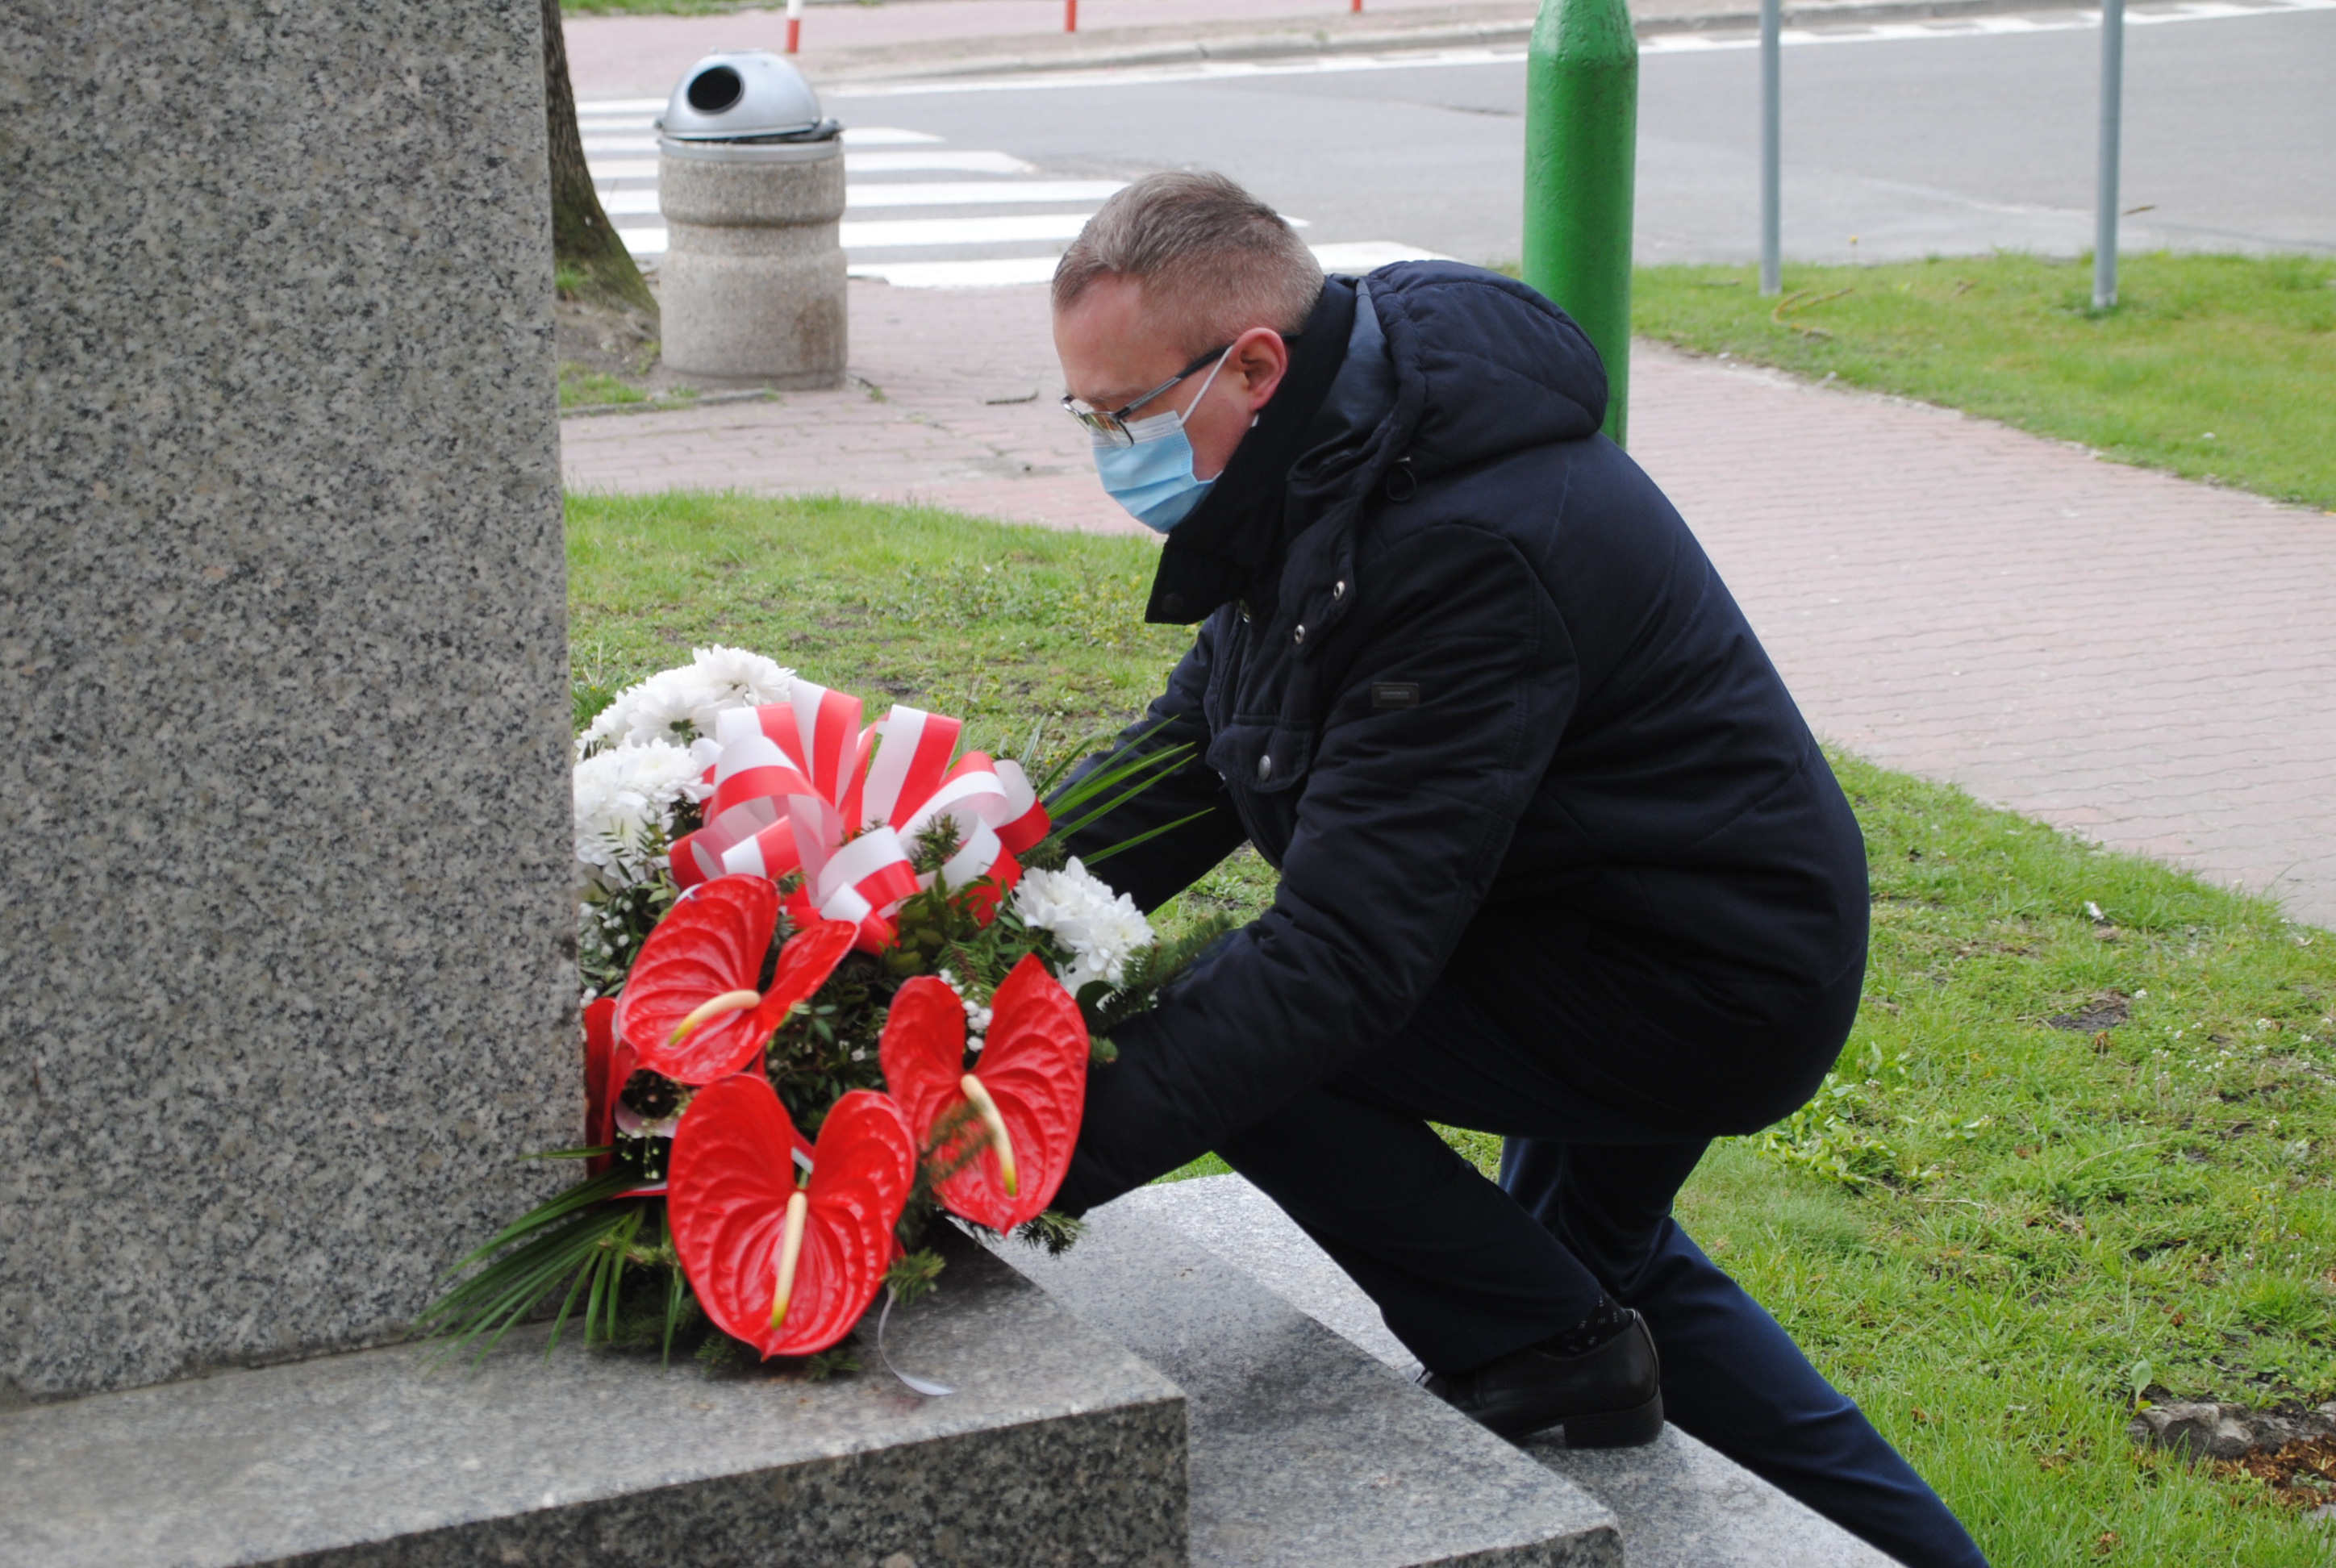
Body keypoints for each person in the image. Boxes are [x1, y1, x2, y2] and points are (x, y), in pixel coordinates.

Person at [1041, 169, 1988, 1568]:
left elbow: (1343, 966)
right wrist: (957, 900)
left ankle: (1549, 1351)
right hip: (1608, 906)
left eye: (1122, 415)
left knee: (1250, 1036)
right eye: (1083, 418)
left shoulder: (1458, 542)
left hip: (1692, 969)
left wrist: (1028, 1151)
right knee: (1603, 1272)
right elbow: (1200, 744)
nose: (1108, 449)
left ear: (1253, 364)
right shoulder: (1339, 451)